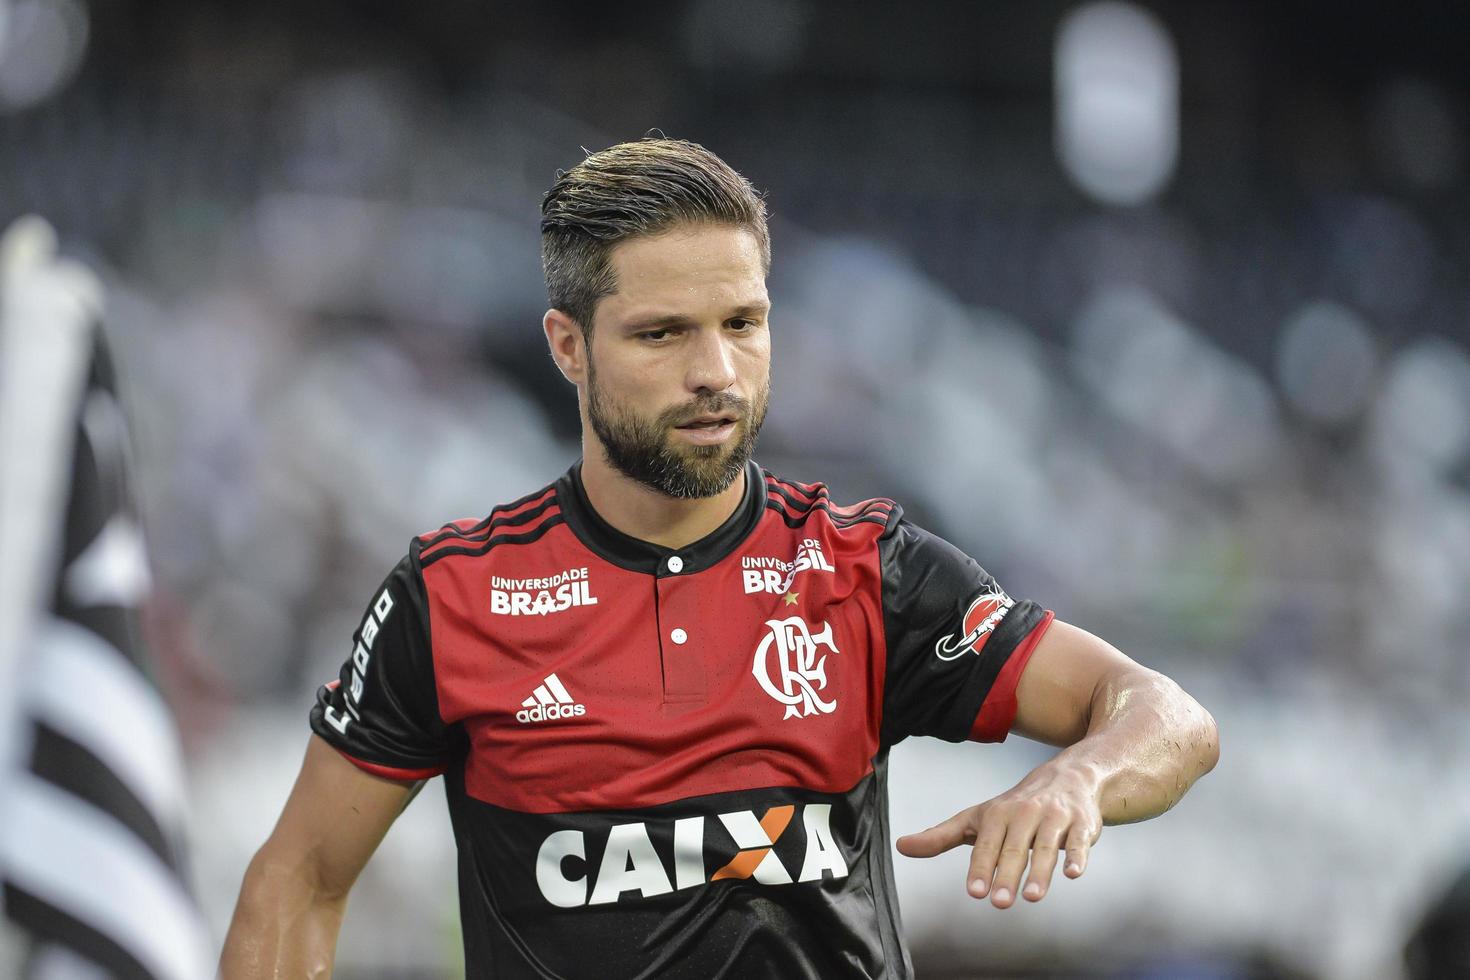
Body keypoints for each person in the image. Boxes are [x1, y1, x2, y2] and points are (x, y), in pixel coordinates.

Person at [221, 138, 1219, 979]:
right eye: (663, 334)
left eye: (744, 324)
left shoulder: (866, 570)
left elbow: (1171, 719)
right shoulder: (455, 596)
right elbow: (298, 880)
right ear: (568, 346)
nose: (716, 373)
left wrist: (1081, 777)